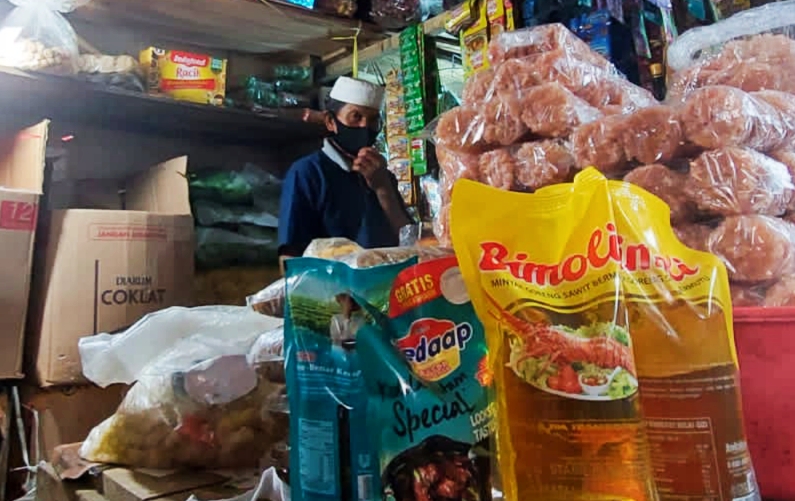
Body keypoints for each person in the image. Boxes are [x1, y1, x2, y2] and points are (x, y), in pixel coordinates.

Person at [277, 77, 412, 264]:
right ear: (331, 122)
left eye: (373, 120)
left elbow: (409, 240)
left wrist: (382, 188)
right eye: (356, 117)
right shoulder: (308, 173)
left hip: (385, 287)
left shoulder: (383, 175)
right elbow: (290, 256)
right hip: (330, 290)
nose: (365, 126)